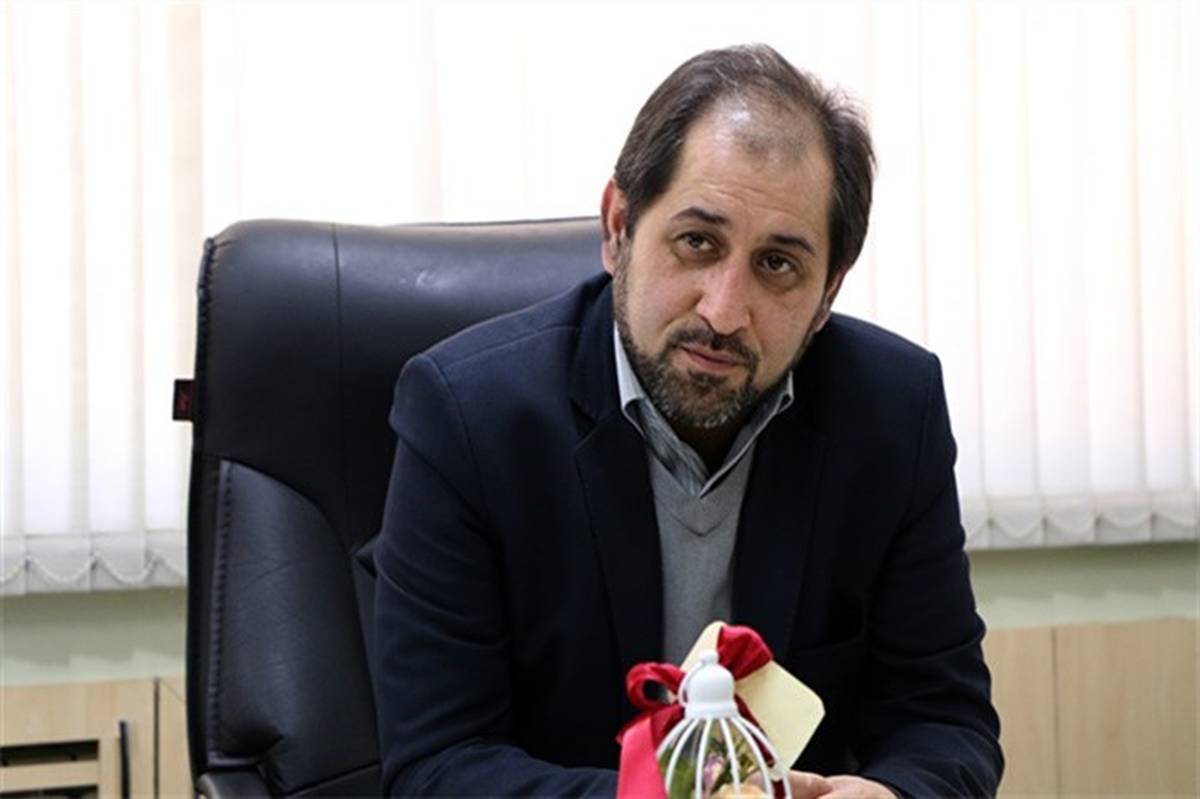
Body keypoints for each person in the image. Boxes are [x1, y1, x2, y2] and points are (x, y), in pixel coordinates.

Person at [373, 44, 1003, 798]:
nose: (724, 310)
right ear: (618, 228)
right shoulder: (468, 417)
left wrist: (896, 794)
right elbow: (438, 765)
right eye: (698, 242)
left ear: (828, 292)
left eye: (777, 265)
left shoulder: (893, 413)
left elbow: (944, 722)